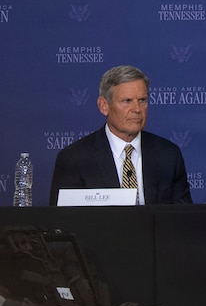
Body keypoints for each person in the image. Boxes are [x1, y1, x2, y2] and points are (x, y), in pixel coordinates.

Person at [48, 65, 192, 205]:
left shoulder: (169, 155)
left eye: (142, 100)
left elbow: (182, 220)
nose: (137, 109)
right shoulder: (75, 159)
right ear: (104, 106)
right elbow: (62, 223)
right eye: (127, 101)